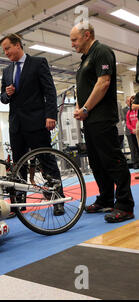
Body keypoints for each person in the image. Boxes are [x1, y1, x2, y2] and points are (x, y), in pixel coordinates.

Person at [70, 23, 134, 223]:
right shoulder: (84, 60)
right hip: (89, 120)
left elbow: (103, 83)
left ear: (87, 35)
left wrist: (86, 109)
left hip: (102, 117)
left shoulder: (102, 52)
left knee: (113, 161)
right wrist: (80, 108)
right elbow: (83, 87)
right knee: (97, 163)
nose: (72, 44)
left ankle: (124, 206)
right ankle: (106, 199)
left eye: (75, 39)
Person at [0, 33, 64, 217]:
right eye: (4, 50)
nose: (6, 53)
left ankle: (58, 200)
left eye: (7, 48)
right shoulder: (6, 71)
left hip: (37, 122)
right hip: (16, 125)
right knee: (18, 167)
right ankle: (18, 204)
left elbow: (49, 90)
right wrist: (7, 93)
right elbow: (3, 99)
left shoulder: (38, 63)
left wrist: (50, 115)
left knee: (47, 162)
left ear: (18, 45)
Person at [125, 95, 139, 168]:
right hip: (133, 132)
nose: (132, 102)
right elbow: (128, 123)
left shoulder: (138, 110)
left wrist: (137, 129)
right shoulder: (128, 112)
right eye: (131, 101)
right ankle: (137, 163)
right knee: (135, 148)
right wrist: (132, 129)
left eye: (134, 100)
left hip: (138, 131)